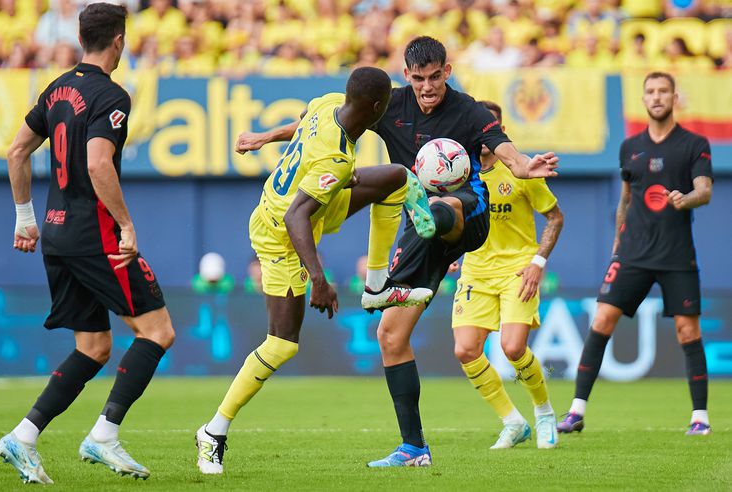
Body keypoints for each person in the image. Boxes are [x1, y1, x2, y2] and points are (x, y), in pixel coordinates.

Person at [236, 36, 559, 467]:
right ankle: (414, 448)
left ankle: (426, 226)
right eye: (419, 78)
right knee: (389, 337)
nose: (428, 87)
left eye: (436, 77)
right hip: (415, 224)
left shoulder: (470, 111)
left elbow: (508, 153)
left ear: (448, 70)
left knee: (443, 202)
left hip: (466, 214)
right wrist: (265, 137)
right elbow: (327, 122)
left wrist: (524, 166)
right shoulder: (390, 105)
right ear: (407, 75)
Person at [194, 66, 436, 475]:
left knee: (396, 178)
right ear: (376, 109)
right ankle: (213, 432)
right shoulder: (337, 157)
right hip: (281, 234)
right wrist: (319, 280)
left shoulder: (327, 104)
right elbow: (295, 217)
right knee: (282, 344)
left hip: (310, 202)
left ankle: (376, 284)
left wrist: (263, 137)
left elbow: (303, 123)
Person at [0, 3, 175, 484]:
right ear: (119, 40)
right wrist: (127, 225)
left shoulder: (57, 89)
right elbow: (98, 165)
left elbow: (15, 151)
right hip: (95, 236)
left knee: (94, 346)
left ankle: (23, 437)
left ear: (81, 38)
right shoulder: (111, 94)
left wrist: (25, 219)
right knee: (157, 332)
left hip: (55, 232)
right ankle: (103, 436)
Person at [558, 72, 713, 436]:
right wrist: (617, 243)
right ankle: (576, 412)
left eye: (663, 91)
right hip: (633, 253)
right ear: (643, 99)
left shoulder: (694, 144)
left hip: (676, 255)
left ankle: (700, 418)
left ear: (675, 97)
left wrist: (684, 198)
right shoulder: (630, 147)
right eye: (650, 92)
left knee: (687, 330)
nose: (656, 97)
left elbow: (704, 191)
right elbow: (626, 199)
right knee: (601, 321)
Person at [451, 101, 564, 450]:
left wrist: (538, 263)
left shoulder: (520, 168)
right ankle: (512, 422)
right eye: (483, 127)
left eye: (494, 127)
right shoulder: (457, 172)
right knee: (466, 350)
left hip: (517, 268)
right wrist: (451, 251)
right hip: (476, 272)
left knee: (513, 347)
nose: (488, 134)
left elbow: (555, 217)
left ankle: (544, 413)